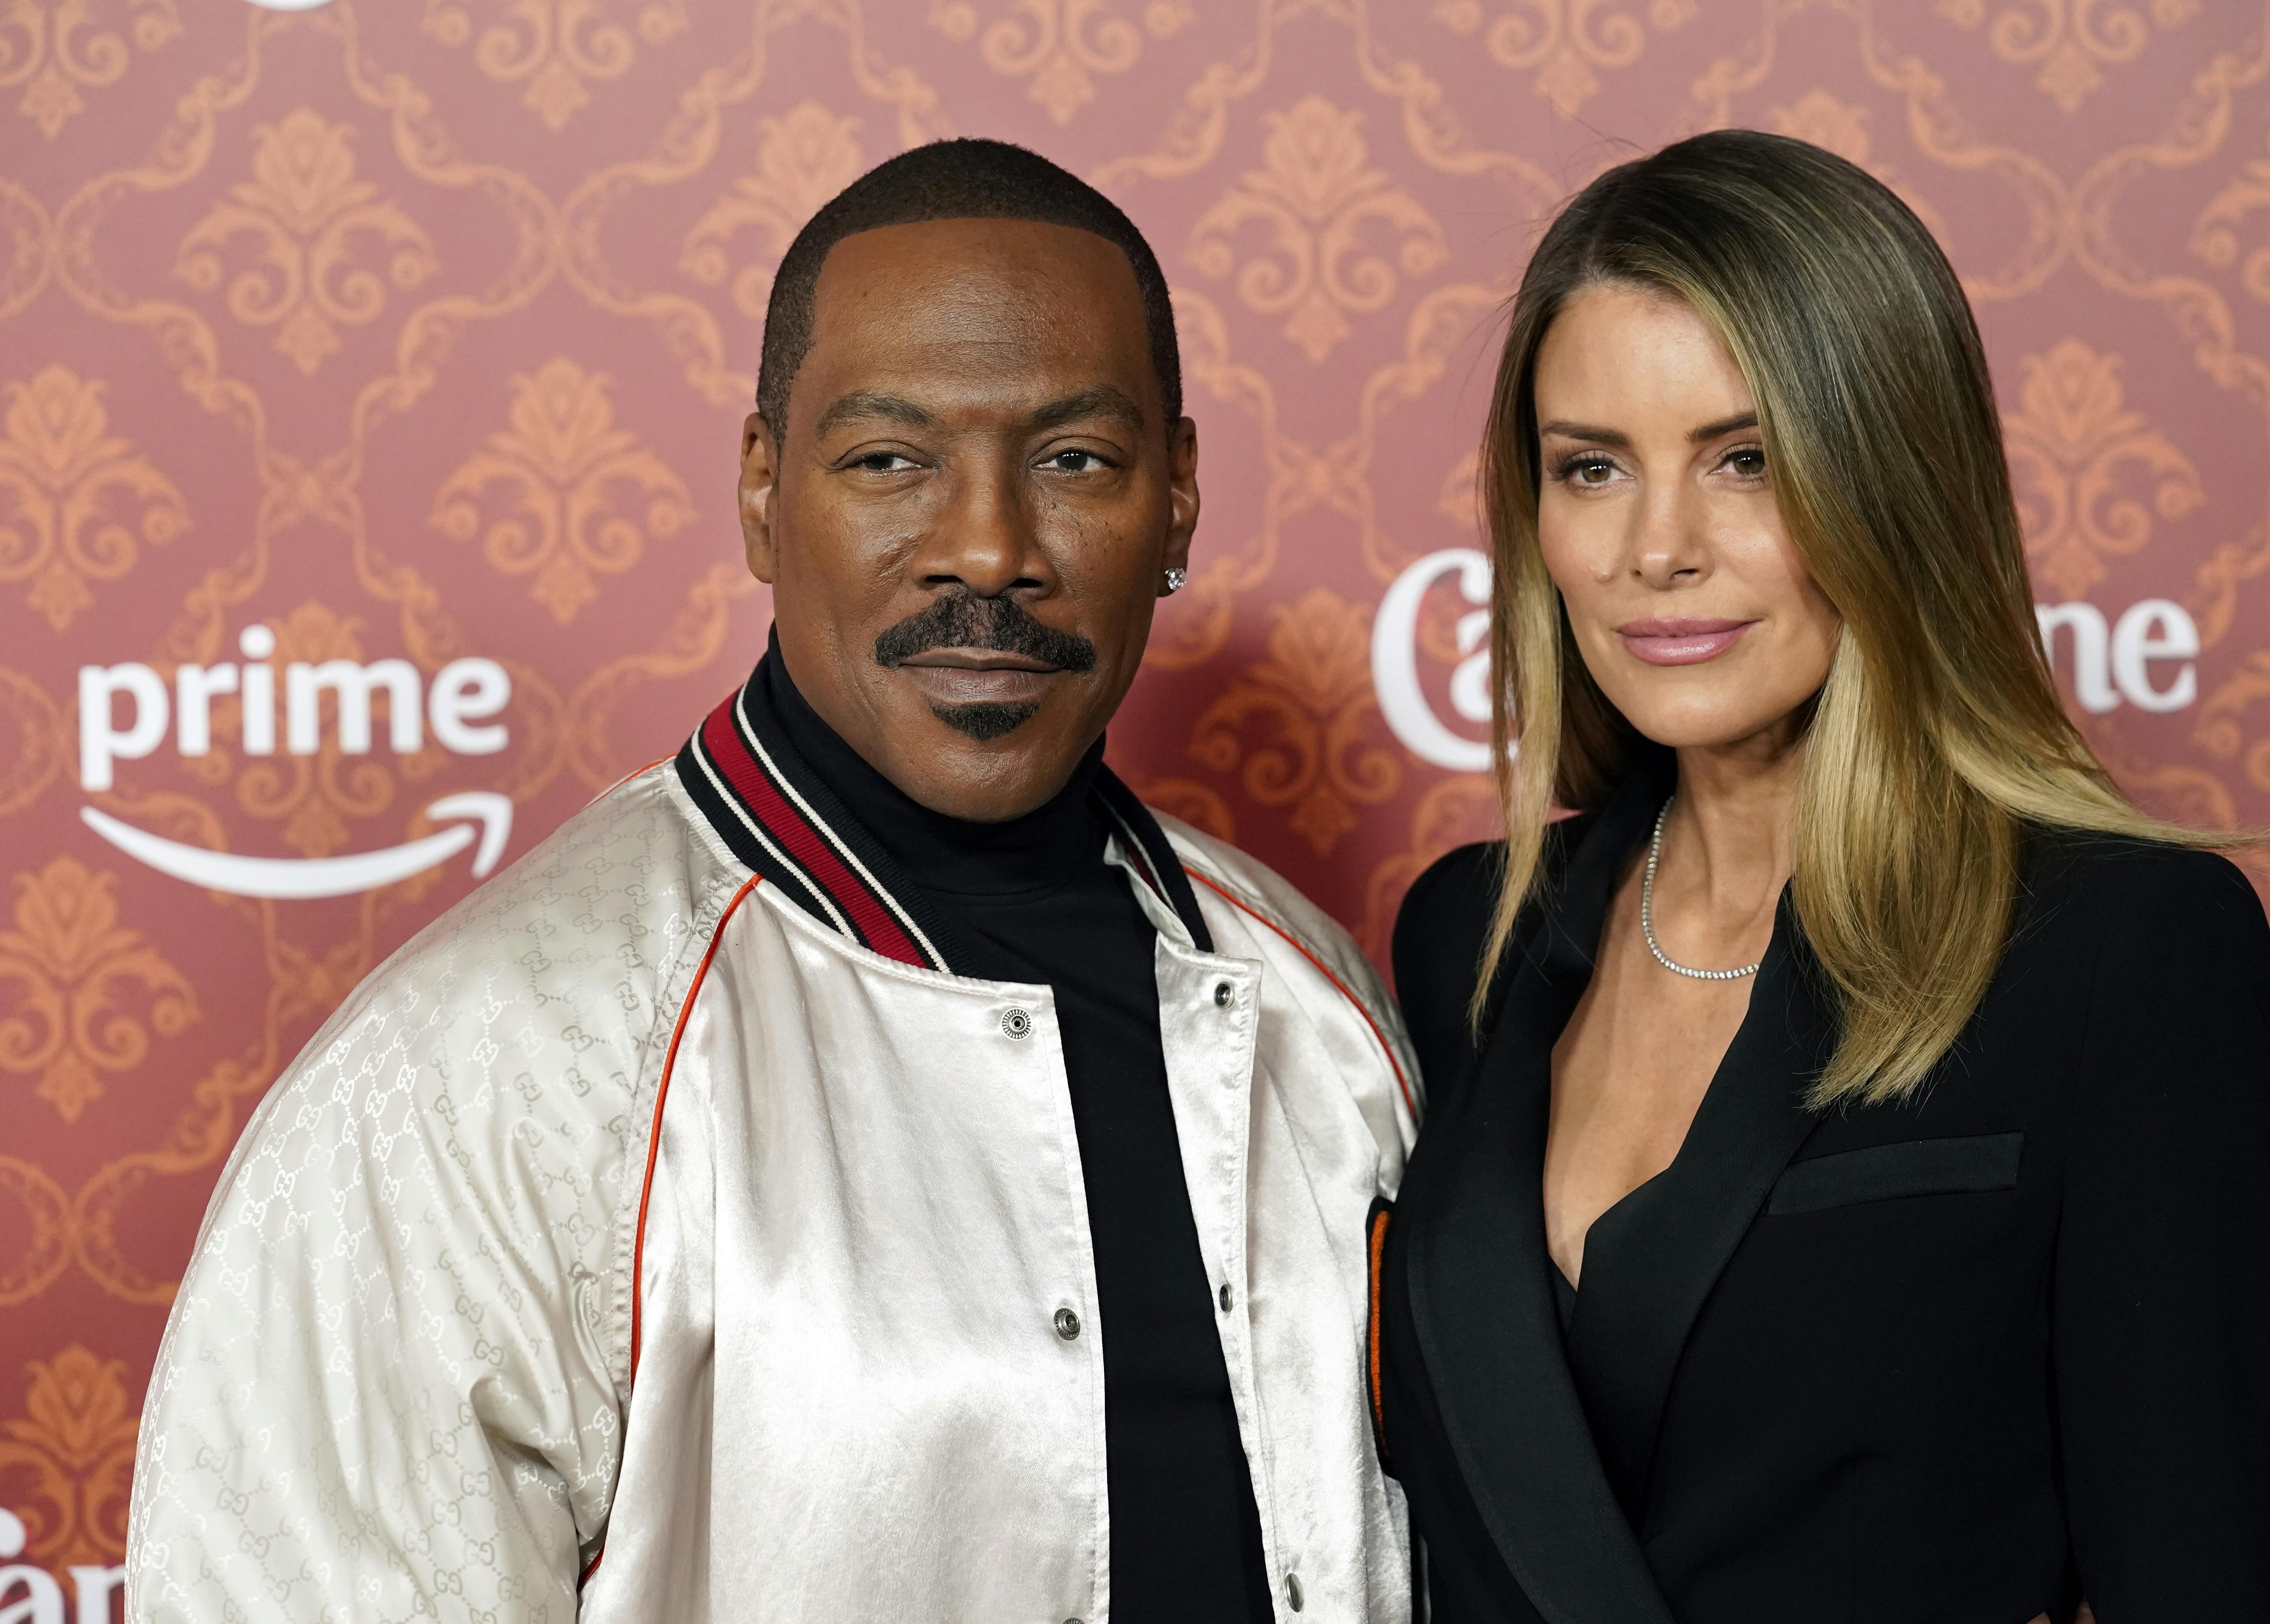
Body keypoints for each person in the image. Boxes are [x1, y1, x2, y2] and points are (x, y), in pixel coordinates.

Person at [128, 140, 1418, 1624]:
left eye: (1075, 460)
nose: (988, 547)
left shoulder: (1322, 1012)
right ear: (761, 491)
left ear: (1177, 500)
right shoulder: (489, 1061)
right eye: (890, 461)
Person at [1369, 130, 2270, 1623]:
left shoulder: (2123, 952)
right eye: (1591, 468)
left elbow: (2198, 1574)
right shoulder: (1467, 940)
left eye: (1745, 460)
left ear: (1894, 481)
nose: (1654, 549)